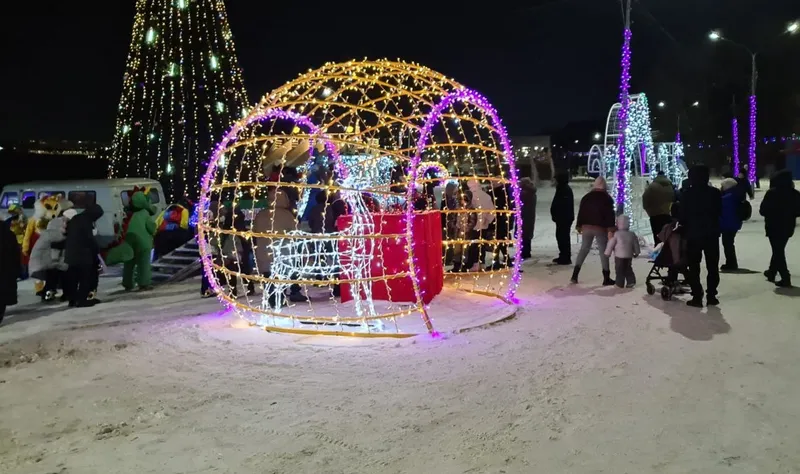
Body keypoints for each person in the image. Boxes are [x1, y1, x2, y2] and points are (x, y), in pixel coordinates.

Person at [678, 166, 722, 307]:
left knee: (693, 266)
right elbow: (719, 211)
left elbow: (682, 215)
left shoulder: (686, 194)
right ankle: (711, 295)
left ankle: (697, 295)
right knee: (712, 266)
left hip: (693, 234)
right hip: (711, 233)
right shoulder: (714, 193)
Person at [572, 177, 616, 285]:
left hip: (586, 226)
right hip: (600, 227)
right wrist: (611, 228)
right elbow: (610, 215)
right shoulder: (607, 198)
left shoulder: (586, 197)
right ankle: (606, 277)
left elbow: (581, 212)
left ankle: (575, 274)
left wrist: (579, 225)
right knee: (603, 252)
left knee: (584, 249)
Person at [759, 169, 800, 287]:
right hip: (788, 226)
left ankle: (785, 276)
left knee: (778, 251)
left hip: (773, 226)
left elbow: (763, 210)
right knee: (778, 249)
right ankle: (772, 271)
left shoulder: (772, 193)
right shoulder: (795, 194)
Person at [64, 203, 104, 308]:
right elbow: (89, 239)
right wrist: (97, 250)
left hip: (71, 253)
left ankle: (72, 300)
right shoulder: (86, 221)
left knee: (73, 278)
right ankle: (82, 300)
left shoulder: (75, 219)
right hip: (83, 255)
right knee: (85, 278)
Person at [28, 218, 69, 302]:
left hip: (42, 262)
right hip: (49, 262)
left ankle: (48, 294)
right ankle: (51, 294)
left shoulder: (47, 234)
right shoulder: (57, 235)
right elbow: (56, 252)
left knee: (52, 277)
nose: (65, 225)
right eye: (64, 223)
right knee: (59, 275)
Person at [466, 180, 495, 271]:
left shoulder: (472, 196)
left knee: (474, 245)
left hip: (474, 224)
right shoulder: (486, 196)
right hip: (484, 225)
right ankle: (481, 262)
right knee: (481, 244)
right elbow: (492, 211)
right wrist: (488, 221)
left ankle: (474, 263)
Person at [605, 215, 640, 288]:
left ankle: (619, 283)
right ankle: (631, 281)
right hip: (628, 255)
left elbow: (611, 243)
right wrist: (636, 252)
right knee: (628, 268)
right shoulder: (632, 234)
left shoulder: (617, 234)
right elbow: (635, 243)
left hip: (619, 256)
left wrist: (607, 253)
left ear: (618, 224)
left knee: (619, 269)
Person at [642, 172, 675, 246]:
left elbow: (645, 199)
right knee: (667, 233)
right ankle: (667, 250)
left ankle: (658, 249)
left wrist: (649, 210)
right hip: (668, 213)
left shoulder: (652, 186)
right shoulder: (670, 186)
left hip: (655, 214)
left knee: (657, 234)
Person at [719, 178, 744, 271]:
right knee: (729, 243)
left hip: (728, 224)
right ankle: (731, 262)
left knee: (728, 244)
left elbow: (724, 210)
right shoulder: (735, 195)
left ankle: (731, 263)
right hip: (734, 223)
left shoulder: (728, 197)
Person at [550, 171, 574, 265]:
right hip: (562, 218)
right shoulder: (562, 188)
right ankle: (563, 255)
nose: (555, 181)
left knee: (563, 237)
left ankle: (565, 257)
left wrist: (557, 214)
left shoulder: (564, 189)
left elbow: (562, 205)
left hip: (564, 218)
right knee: (561, 237)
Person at [0, 219, 21, 323]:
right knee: (2, 298)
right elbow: (16, 255)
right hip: (6, 271)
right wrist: (17, 270)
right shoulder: (10, 235)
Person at [519, 177, 537, 260]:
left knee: (524, 234)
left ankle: (525, 252)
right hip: (528, 216)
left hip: (525, 216)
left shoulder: (526, 193)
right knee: (526, 234)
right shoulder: (531, 192)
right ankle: (526, 251)